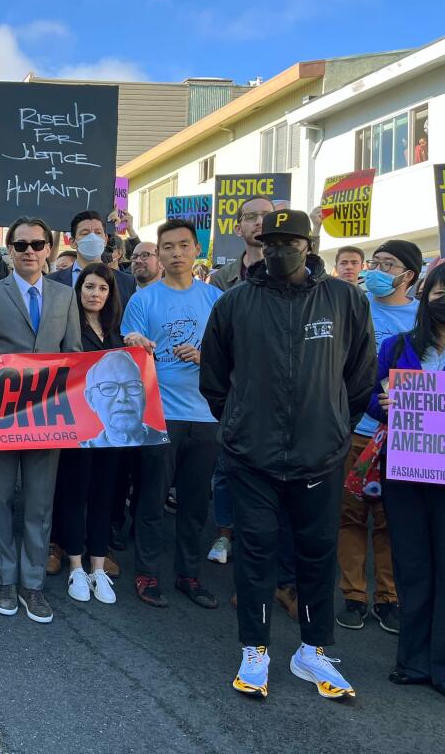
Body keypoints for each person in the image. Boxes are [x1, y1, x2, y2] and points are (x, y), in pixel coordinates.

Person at [201, 209, 375, 700]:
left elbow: (360, 376)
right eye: (270, 242)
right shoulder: (235, 302)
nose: (278, 250)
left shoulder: (344, 299)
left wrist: (335, 425)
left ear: (309, 245)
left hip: (320, 455)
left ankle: (313, 650)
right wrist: (238, 421)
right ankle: (254, 649)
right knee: (256, 551)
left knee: (318, 553)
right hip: (251, 455)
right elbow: (215, 378)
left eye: (289, 242)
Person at [0, 216, 81, 623]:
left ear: (48, 248)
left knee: (38, 503)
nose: (29, 251)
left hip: (48, 417)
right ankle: (4, 579)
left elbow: (75, 357)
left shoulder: (65, 298)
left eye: (36, 244)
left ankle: (32, 584)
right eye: (20, 245)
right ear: (9, 250)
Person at [122, 218, 222, 610]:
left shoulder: (216, 298)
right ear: (158, 254)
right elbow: (128, 346)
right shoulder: (144, 299)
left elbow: (233, 355)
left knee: (196, 503)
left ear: (196, 250)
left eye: (183, 246)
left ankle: (189, 574)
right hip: (160, 413)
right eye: (168, 247)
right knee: (152, 497)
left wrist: (205, 357)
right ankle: (147, 572)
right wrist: (135, 342)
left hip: (206, 415)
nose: (176, 253)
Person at [367, 263, 445, 697]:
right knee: (412, 567)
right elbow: (370, 400)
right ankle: (413, 661)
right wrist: (383, 402)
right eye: (438, 292)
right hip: (409, 471)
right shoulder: (398, 347)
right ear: (423, 295)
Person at [336, 240, 421, 633]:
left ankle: (389, 598)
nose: (377, 270)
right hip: (355, 429)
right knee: (351, 514)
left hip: (406, 436)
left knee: (392, 520)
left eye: (389, 265)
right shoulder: (354, 306)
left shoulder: (423, 319)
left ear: (409, 275)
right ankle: (353, 595)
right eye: (377, 262)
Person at [59, 266, 135, 605]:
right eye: (89, 287)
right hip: (77, 427)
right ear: (79, 291)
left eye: (102, 288)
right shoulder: (67, 326)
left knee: (105, 497)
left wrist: (139, 345)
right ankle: (75, 564)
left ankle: (98, 566)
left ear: (110, 294)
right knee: (75, 494)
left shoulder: (120, 331)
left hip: (114, 431)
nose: (95, 294)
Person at [47, 211, 136, 309]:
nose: (93, 238)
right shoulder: (51, 282)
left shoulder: (126, 282)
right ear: (73, 242)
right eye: (85, 233)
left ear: (105, 240)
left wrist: (129, 229)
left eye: (98, 233)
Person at [209, 196, 271, 292]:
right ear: (238, 229)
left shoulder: (291, 274)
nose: (260, 222)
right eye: (251, 216)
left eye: (267, 216)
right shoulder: (221, 279)